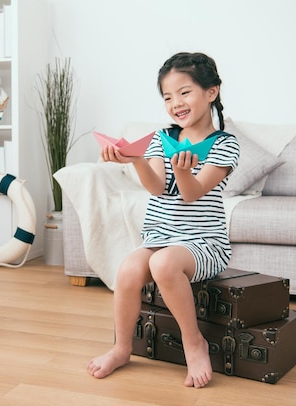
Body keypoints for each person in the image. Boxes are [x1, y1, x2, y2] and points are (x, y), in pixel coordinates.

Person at [86, 52, 239, 388]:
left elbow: (192, 193)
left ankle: (193, 342)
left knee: (164, 265)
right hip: (160, 236)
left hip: (203, 242)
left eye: (184, 92)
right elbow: (157, 187)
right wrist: (136, 159)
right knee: (128, 268)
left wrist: (184, 171)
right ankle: (122, 348)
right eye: (167, 97)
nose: (175, 103)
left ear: (210, 92)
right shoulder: (161, 138)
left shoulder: (225, 145)